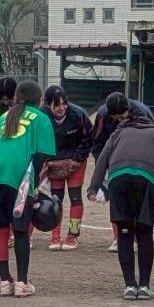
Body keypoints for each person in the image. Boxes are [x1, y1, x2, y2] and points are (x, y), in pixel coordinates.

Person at [88, 92, 154, 300]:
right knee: (144, 232)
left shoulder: (118, 133)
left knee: (124, 232)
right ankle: (144, 286)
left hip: (119, 178)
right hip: (148, 180)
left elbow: (103, 159)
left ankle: (129, 285)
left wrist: (94, 187)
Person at [0, 81, 56, 297]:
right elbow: (42, 155)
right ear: (39, 100)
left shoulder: (4, 116)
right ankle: (22, 282)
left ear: (16, 97)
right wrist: (33, 185)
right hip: (18, 176)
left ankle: (5, 281)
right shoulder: (41, 117)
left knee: (0, 229)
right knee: (20, 230)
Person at [93, 93, 154, 251]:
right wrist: (102, 171)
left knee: (137, 200)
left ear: (128, 108)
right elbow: (98, 143)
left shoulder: (143, 113)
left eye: (123, 117)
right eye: (117, 118)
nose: (121, 121)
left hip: (140, 162)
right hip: (115, 162)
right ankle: (118, 237)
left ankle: (137, 237)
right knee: (117, 200)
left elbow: (153, 138)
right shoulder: (102, 115)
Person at [41, 85, 94, 251]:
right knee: (56, 198)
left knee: (75, 197)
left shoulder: (78, 114)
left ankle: (73, 235)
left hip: (76, 162)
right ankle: (55, 235)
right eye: (56, 104)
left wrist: (77, 160)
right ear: (47, 104)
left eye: (64, 103)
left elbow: (88, 138)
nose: (62, 108)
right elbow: (39, 141)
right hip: (54, 163)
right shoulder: (42, 117)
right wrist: (49, 161)